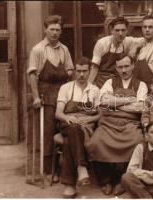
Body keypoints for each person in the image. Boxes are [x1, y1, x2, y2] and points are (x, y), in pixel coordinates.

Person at [86, 56, 147, 196]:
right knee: (95, 142)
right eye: (120, 67)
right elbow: (104, 102)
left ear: (133, 65)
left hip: (130, 123)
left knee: (137, 142)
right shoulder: (109, 82)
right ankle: (105, 180)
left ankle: (122, 180)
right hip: (108, 123)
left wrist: (115, 104)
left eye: (126, 66)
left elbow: (140, 107)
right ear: (116, 67)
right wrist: (128, 100)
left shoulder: (141, 85)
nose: (123, 70)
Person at [27, 15, 74, 180]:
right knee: (48, 132)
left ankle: (64, 167)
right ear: (45, 30)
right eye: (52, 29)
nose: (55, 32)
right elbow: (32, 75)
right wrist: (35, 97)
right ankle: (48, 170)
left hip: (63, 93)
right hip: (45, 94)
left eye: (58, 30)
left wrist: (64, 76)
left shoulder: (64, 49)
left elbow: (70, 70)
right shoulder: (38, 49)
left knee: (65, 129)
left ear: (61, 31)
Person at [55, 57, 100, 198]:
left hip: (86, 125)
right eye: (79, 71)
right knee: (74, 128)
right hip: (67, 123)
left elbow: (100, 115)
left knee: (70, 141)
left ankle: (70, 185)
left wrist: (90, 119)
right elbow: (58, 113)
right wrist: (69, 118)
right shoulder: (66, 88)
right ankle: (81, 167)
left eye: (85, 71)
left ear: (89, 72)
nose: (81, 75)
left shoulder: (94, 90)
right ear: (74, 71)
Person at [90, 17, 143, 88]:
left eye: (123, 30)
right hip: (102, 81)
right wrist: (89, 86)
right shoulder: (102, 43)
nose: (120, 33)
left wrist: (135, 47)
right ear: (112, 31)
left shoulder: (127, 41)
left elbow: (145, 40)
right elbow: (94, 67)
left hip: (118, 80)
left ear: (127, 31)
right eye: (117, 30)